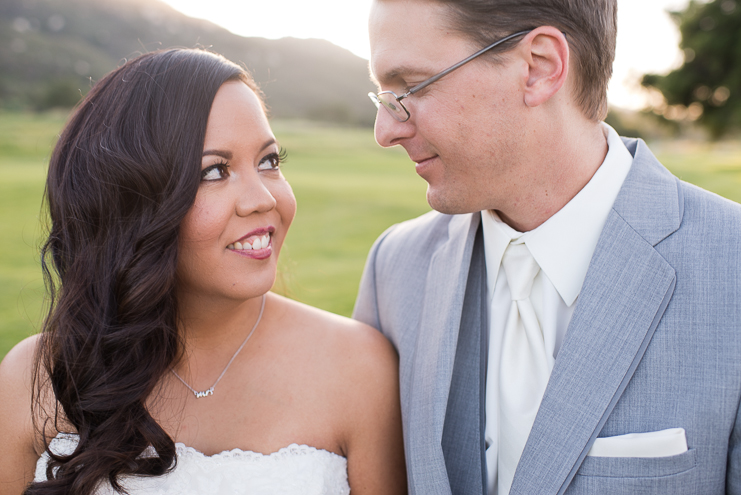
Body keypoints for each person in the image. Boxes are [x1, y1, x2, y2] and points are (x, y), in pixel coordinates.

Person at [353, 0, 741, 494]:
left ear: (539, 67)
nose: (385, 131)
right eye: (384, 96)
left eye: (410, 87)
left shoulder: (734, 269)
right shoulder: (394, 266)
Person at [0, 48, 406, 495]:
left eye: (269, 161)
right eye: (215, 170)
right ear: (133, 199)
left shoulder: (358, 369)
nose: (262, 199)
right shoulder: (36, 376)